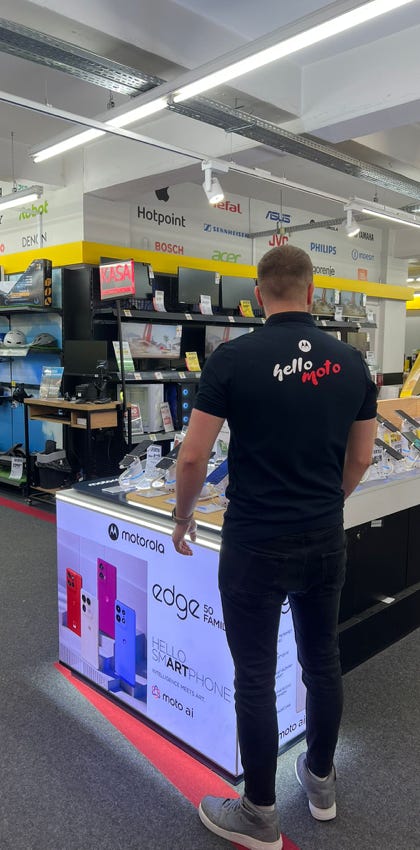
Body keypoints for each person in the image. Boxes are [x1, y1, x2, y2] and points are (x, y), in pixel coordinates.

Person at [171, 244, 377, 850]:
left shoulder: (233, 359)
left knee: (256, 678)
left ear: (259, 295)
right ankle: (320, 784)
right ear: (312, 293)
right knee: (323, 662)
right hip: (322, 536)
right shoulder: (353, 362)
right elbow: (362, 456)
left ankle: (259, 813)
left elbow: (192, 455)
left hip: (254, 542)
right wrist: (324, 501)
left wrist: (183, 517)